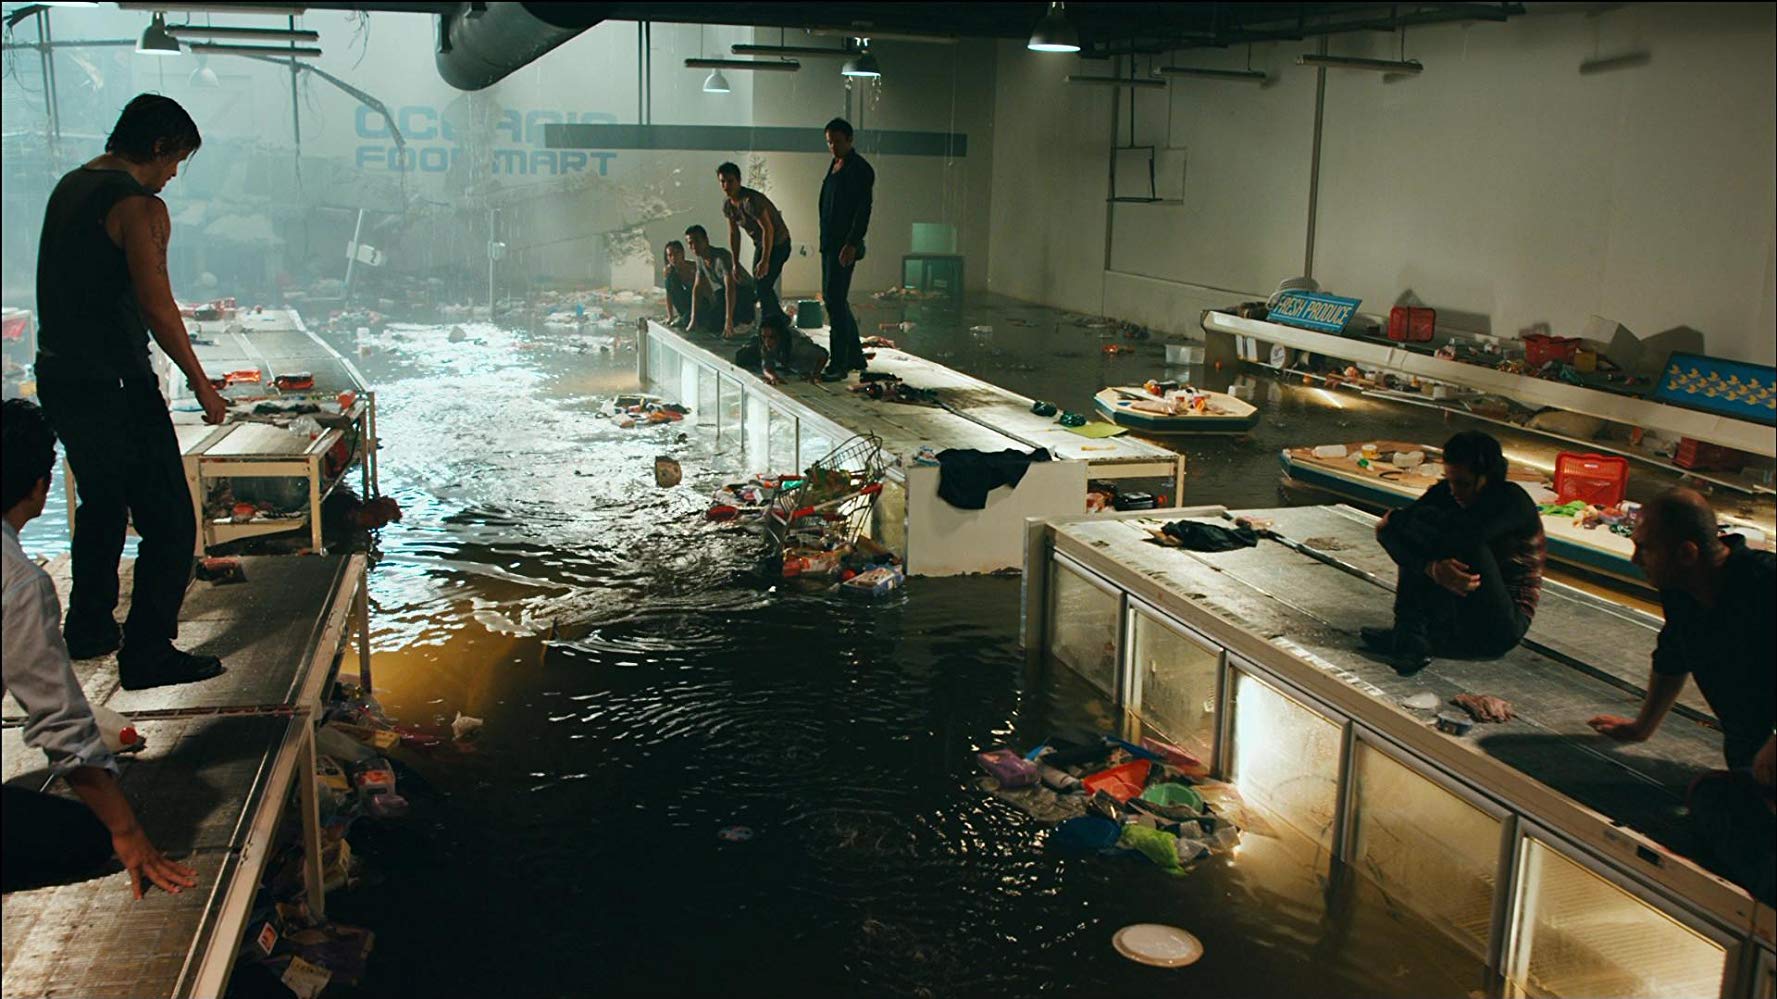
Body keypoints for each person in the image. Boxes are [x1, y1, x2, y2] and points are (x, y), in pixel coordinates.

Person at [33, 94, 227, 691]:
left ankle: (89, 625)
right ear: (160, 147)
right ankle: (147, 651)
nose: (173, 175)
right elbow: (156, 305)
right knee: (170, 520)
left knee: (102, 500)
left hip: (60, 374)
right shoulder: (139, 207)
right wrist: (200, 381)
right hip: (117, 381)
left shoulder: (70, 187)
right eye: (177, 161)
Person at [3, 399, 199, 899]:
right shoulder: (19, 584)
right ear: (40, 487)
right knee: (88, 838)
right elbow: (59, 723)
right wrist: (127, 832)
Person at [1587, 488, 1774, 901]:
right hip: (1750, 761)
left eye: (1645, 549)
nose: (1635, 560)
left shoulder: (1765, 585)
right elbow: (1672, 655)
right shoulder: (1680, 591)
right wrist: (1642, 727)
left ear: (1687, 553)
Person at [1361, 431, 1545, 675]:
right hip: (1456, 612)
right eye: (1450, 481)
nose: (1455, 490)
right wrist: (1431, 568)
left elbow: (1464, 537)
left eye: (1463, 484)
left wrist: (1407, 525)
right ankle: (1409, 636)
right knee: (1420, 536)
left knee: (1455, 539)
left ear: (1486, 478)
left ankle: (1413, 638)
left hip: (1501, 624)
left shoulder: (1511, 500)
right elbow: (1388, 529)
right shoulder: (1447, 492)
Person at [816, 117, 875, 381]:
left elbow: (863, 210)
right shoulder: (835, 165)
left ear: (850, 140)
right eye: (829, 142)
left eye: (838, 141)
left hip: (844, 245)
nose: (833, 146)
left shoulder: (859, 169)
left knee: (834, 300)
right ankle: (854, 356)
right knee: (835, 299)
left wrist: (852, 243)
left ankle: (839, 363)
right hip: (830, 243)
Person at [717, 161, 793, 327]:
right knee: (758, 285)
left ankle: (771, 322)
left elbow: (768, 229)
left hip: (779, 243)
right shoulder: (728, 205)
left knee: (763, 284)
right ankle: (778, 319)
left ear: (738, 181)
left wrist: (765, 260)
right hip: (761, 243)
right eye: (723, 181)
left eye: (730, 181)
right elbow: (734, 233)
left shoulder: (750, 200)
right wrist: (735, 263)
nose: (726, 185)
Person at [684, 224, 755, 336]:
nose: (693, 246)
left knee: (725, 304)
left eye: (697, 241)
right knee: (711, 322)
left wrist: (728, 319)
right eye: (690, 243)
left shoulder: (721, 257)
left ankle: (746, 320)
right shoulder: (700, 259)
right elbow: (697, 288)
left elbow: (730, 288)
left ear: (706, 240)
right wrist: (693, 318)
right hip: (726, 291)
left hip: (746, 291)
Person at [756, 313, 829, 386]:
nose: (767, 342)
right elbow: (767, 368)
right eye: (764, 337)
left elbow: (823, 354)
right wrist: (773, 377)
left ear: (780, 336)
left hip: (806, 363)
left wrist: (816, 374)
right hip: (790, 364)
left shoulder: (797, 346)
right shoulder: (766, 345)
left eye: (772, 337)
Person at [662, 240, 699, 330]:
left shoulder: (693, 267)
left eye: (676, 254)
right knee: (670, 280)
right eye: (670, 255)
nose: (673, 258)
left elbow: (703, 288)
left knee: (689, 319)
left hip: (697, 303)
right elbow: (669, 294)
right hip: (684, 306)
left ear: (682, 253)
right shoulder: (668, 271)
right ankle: (683, 317)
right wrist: (670, 316)